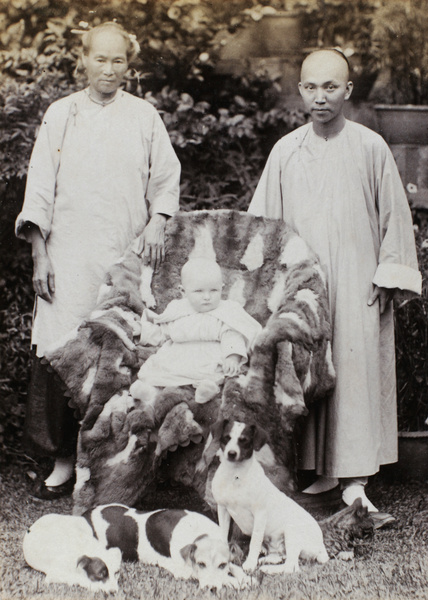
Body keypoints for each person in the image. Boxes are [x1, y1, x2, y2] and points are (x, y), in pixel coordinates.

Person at [248, 49, 421, 527]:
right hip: (305, 288)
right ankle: (317, 478)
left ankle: (354, 486)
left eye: (330, 87)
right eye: (311, 87)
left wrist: (389, 274)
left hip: (358, 282)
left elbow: (394, 219)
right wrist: (268, 284)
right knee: (307, 373)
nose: (320, 97)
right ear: (300, 90)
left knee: (353, 373)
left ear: (348, 90)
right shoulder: (285, 151)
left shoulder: (370, 148)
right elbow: (264, 224)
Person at [15, 22, 180, 499]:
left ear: (130, 66)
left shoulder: (145, 117)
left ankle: (111, 465)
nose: (109, 69)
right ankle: (63, 461)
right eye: (100, 59)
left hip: (123, 260)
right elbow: (40, 189)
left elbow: (166, 180)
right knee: (60, 351)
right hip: (67, 258)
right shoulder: (60, 115)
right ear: (82, 60)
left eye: (118, 61)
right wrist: (39, 255)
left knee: (119, 357)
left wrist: (157, 221)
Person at [132, 258, 262, 404]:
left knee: (212, 373)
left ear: (222, 288)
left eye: (214, 290)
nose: (207, 297)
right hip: (177, 356)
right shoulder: (177, 309)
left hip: (208, 356)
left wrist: (232, 357)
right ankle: (150, 391)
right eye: (199, 291)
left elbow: (232, 335)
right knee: (159, 371)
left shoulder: (226, 311)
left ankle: (206, 390)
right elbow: (164, 332)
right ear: (183, 291)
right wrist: (142, 331)